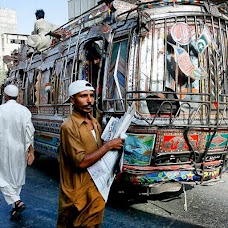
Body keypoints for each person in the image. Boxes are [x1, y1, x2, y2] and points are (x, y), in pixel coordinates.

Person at [57, 80, 124, 227]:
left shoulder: (94, 122)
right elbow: (81, 162)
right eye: (83, 96)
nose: (89, 101)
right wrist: (108, 145)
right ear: (72, 100)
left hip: (95, 189)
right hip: (77, 194)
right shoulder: (68, 127)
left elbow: (99, 153)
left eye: (91, 96)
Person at [0, 85, 35, 221]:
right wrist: (30, 151)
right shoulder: (24, 111)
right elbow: (29, 132)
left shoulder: (0, 110)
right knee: (17, 177)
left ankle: (16, 201)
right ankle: (16, 205)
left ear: (5, 96)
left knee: (2, 176)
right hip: (19, 148)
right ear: (17, 96)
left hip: (2, 148)